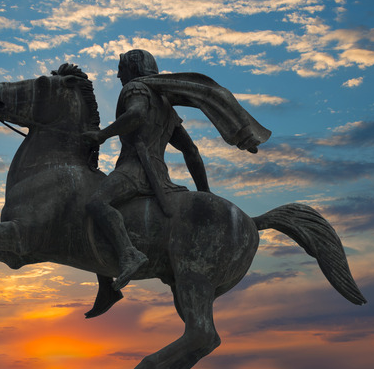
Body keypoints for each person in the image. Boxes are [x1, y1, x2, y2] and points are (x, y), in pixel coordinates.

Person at [82, 50, 271, 318]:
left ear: (134, 68)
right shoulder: (166, 108)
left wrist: (102, 135)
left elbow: (135, 116)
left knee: (94, 203)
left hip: (134, 171)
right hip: (161, 177)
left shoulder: (135, 89)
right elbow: (191, 151)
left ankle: (129, 255)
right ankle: (107, 288)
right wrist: (204, 191)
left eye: (120, 68)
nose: (117, 75)